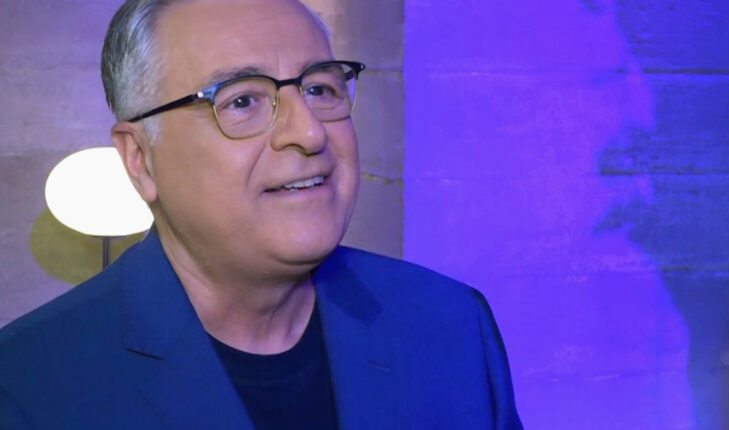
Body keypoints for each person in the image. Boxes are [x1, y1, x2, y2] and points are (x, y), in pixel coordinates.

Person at [0, 0, 523, 428]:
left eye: (319, 88)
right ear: (140, 158)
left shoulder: (451, 325)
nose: (310, 132)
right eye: (242, 101)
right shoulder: (29, 385)